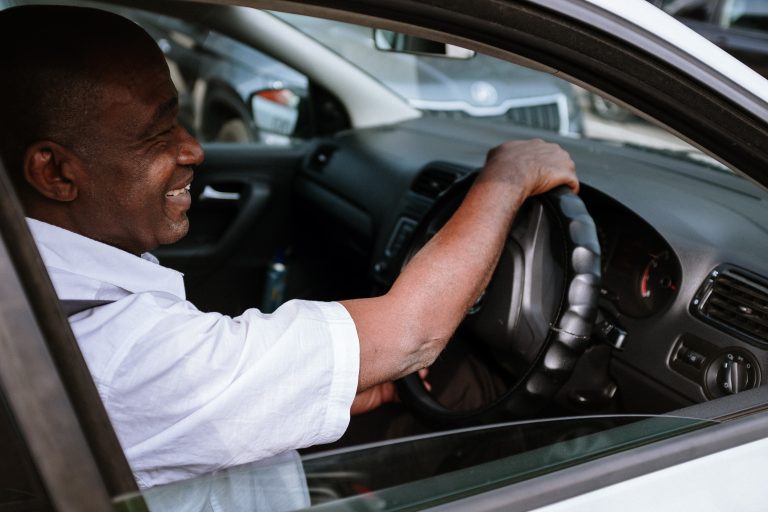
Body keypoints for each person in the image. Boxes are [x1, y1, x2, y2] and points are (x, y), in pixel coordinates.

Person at [0, 4, 578, 490]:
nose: (195, 150)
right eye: (158, 132)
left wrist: (321, 388)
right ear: (54, 173)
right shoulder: (119, 352)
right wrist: (509, 178)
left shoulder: (39, 293)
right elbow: (413, 334)